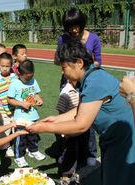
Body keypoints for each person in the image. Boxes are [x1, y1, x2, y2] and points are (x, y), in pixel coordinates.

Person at [27, 41, 135, 185]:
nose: (63, 73)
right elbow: (83, 109)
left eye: (64, 68)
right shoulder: (92, 75)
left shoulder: (95, 81)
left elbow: (81, 125)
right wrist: (56, 118)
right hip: (114, 141)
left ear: (79, 63)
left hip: (123, 144)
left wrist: (44, 127)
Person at [54, 7, 102, 166]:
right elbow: (57, 60)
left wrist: (85, 66)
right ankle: (66, 155)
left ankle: (89, 154)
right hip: (67, 82)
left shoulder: (93, 39)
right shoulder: (63, 38)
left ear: (82, 23)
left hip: (87, 81)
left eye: (76, 26)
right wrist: (65, 59)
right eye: (69, 27)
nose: (73, 30)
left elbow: (99, 61)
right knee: (66, 116)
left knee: (87, 118)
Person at [8, 59, 45, 167]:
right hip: (20, 116)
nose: (28, 79)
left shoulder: (33, 80)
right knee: (21, 137)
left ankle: (34, 150)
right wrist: (21, 104)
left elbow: (36, 94)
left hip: (32, 115)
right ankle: (19, 156)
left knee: (33, 135)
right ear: (20, 74)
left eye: (30, 76)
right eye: (26, 77)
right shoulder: (15, 83)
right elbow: (9, 99)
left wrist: (39, 100)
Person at [0, 52, 17, 157]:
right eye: (2, 66)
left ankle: (20, 145)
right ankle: (6, 146)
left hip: (15, 109)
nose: (5, 68)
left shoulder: (15, 78)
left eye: (7, 66)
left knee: (17, 127)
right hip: (3, 111)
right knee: (5, 130)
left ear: (11, 66)